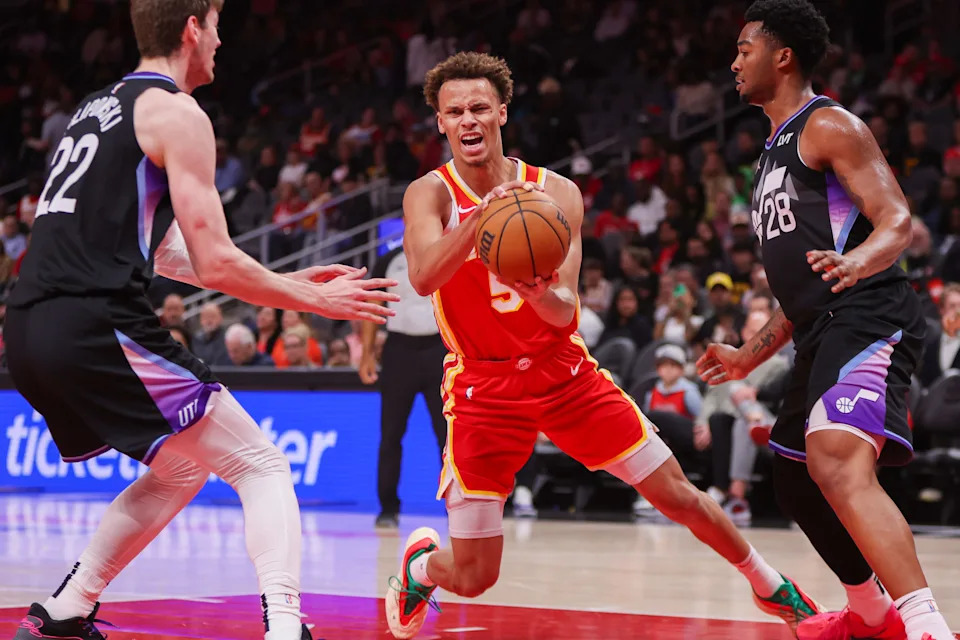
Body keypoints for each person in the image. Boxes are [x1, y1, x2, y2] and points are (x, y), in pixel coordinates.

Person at [384, 51, 820, 640]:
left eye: (479, 108)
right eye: (454, 110)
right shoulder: (429, 194)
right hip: (483, 386)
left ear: (502, 113)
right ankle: (421, 567)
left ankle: (770, 586)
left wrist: (536, 291)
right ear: (439, 121)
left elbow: (566, 312)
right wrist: (480, 222)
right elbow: (423, 277)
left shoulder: (556, 192)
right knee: (475, 575)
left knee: (677, 494)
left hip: (563, 374)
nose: (468, 120)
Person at [3, 3, 399, 640]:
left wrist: (293, 281)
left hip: (26, 328)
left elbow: (162, 252)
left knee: (183, 467)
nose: (220, 39)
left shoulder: (94, 112)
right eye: (216, 23)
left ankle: (67, 608)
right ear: (192, 26)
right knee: (261, 465)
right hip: (93, 321)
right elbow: (215, 261)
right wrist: (314, 303)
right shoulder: (177, 112)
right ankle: (286, 627)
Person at [698, 2, 954, 639]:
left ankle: (926, 626)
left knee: (836, 459)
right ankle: (870, 613)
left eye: (745, 48)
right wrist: (748, 355)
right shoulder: (769, 155)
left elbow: (897, 221)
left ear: (782, 55)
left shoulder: (830, 125)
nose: (734, 62)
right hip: (821, 323)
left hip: (871, 310)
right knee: (792, 477)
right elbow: (797, 287)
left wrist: (856, 260)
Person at [358, 245, 447, 529]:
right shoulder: (388, 260)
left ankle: (456, 505)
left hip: (439, 347)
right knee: (391, 433)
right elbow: (373, 306)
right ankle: (388, 508)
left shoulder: (446, 251)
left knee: (447, 435)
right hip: (399, 350)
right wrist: (367, 353)